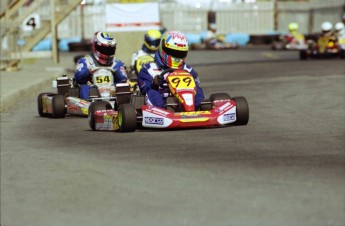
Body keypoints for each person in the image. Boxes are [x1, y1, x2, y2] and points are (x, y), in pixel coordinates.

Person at [137, 30, 205, 110]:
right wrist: (154, 84)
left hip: (185, 100)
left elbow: (196, 87)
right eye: (172, 52)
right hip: (162, 101)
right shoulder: (148, 69)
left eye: (180, 54)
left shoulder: (188, 70)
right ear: (163, 49)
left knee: (198, 90)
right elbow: (144, 89)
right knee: (152, 92)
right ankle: (165, 110)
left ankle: (200, 107)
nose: (176, 56)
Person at [74, 31, 128, 100]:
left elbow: (123, 79)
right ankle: (88, 104)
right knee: (84, 87)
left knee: (122, 86)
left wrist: (116, 74)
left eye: (110, 50)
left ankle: (119, 104)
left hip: (111, 94)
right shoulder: (86, 61)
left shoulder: (116, 62)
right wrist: (88, 71)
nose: (107, 52)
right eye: (104, 49)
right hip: (93, 93)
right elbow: (79, 79)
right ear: (95, 46)